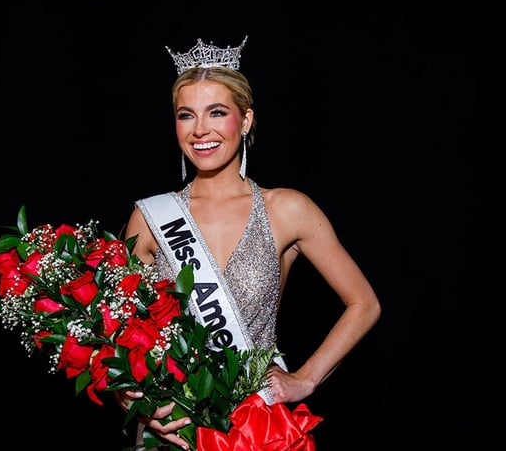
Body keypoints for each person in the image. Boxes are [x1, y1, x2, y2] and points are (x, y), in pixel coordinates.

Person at [115, 36, 381, 450]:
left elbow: (364, 303)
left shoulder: (288, 209)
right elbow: (124, 330)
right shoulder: (150, 218)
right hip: (174, 428)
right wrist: (131, 396)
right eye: (187, 115)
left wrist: (305, 379)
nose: (200, 129)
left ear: (246, 120)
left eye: (216, 112)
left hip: (257, 424)